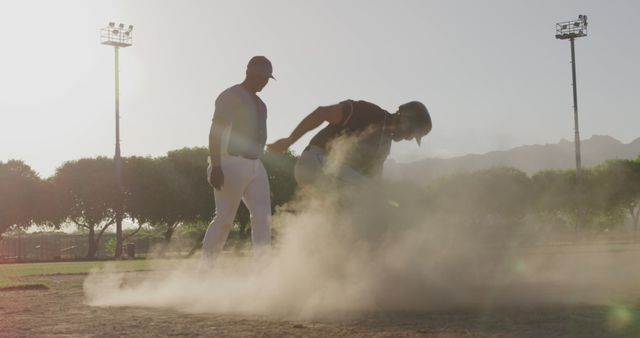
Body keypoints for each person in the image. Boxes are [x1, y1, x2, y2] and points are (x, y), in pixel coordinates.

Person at [201, 56, 275, 266]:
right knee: (224, 219)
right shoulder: (230, 95)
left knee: (263, 219)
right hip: (229, 162)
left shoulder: (261, 104)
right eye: (263, 78)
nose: (265, 82)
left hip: (255, 165)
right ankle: (205, 271)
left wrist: (258, 171)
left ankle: (263, 270)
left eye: (267, 79)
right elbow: (215, 132)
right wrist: (216, 165)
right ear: (251, 74)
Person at [268, 100, 431, 188]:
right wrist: (289, 141)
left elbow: (374, 181)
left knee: (368, 204)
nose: (409, 138)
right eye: (412, 133)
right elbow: (322, 112)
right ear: (406, 121)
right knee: (368, 194)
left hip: (332, 176)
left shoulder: (384, 144)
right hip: (315, 161)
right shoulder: (370, 113)